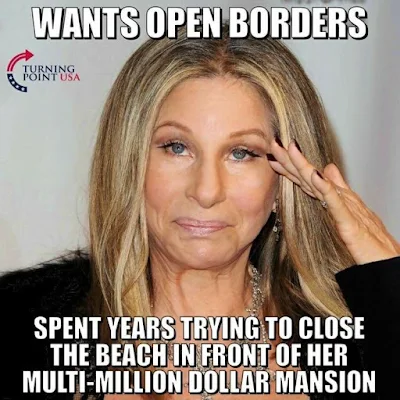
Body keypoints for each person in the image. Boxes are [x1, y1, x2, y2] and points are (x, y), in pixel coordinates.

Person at [1, 22, 400, 400]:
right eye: (177, 148)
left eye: (241, 153)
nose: (206, 191)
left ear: (284, 181)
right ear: (128, 162)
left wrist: (388, 279)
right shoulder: (18, 326)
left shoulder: (358, 344)